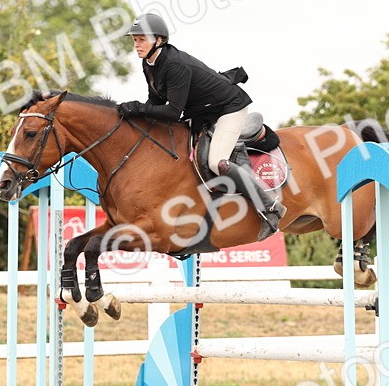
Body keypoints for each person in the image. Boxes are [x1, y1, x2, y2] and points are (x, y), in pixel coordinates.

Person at [116, 13, 286, 235]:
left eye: (141, 40)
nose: (137, 45)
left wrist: (136, 108)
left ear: (158, 40)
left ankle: (270, 206)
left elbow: (172, 112)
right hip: (202, 111)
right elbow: (155, 102)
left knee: (217, 162)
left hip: (229, 108)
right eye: (135, 40)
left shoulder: (174, 64)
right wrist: (135, 117)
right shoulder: (149, 63)